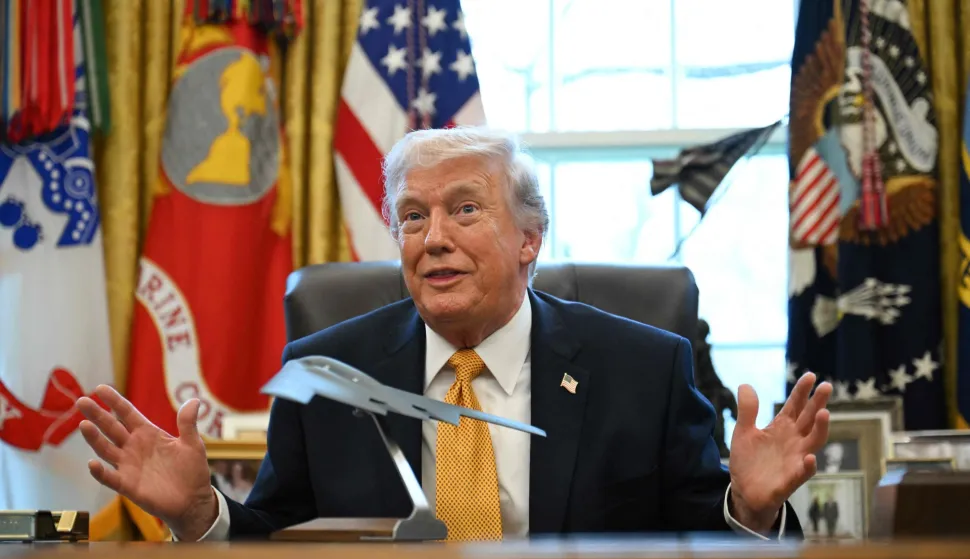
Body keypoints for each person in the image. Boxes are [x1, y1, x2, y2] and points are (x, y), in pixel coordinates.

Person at [76, 127, 831, 543]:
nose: (432, 237)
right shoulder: (324, 369)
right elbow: (275, 538)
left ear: (530, 238)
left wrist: (752, 507)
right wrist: (200, 512)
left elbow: (700, 539)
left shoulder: (646, 367)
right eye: (412, 216)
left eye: (465, 210)